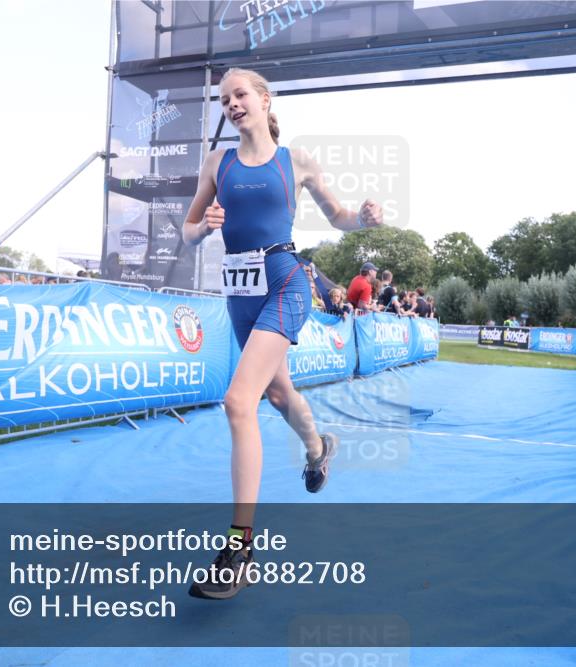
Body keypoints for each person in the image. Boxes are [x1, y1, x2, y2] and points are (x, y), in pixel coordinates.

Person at [180, 67, 383, 600]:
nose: (231, 104)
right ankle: (318, 449)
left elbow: (338, 217)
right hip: (239, 290)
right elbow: (189, 230)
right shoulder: (217, 163)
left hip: (286, 281)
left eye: (240, 94)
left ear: (265, 100)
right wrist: (204, 227)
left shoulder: (296, 161)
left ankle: (239, 549)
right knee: (276, 392)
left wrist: (364, 219)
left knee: (238, 401)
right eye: (224, 99)